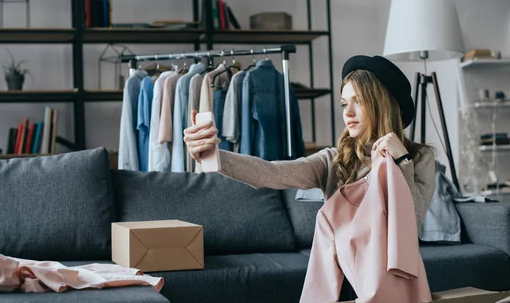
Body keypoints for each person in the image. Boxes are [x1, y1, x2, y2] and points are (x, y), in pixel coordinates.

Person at [183, 55, 436, 230]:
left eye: (357, 101)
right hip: (341, 270)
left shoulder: (419, 158)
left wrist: (402, 161)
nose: (347, 113)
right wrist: (214, 155)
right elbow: (270, 173)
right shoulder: (334, 160)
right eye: (344, 103)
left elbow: (410, 224)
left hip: (390, 272)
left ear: (382, 104)